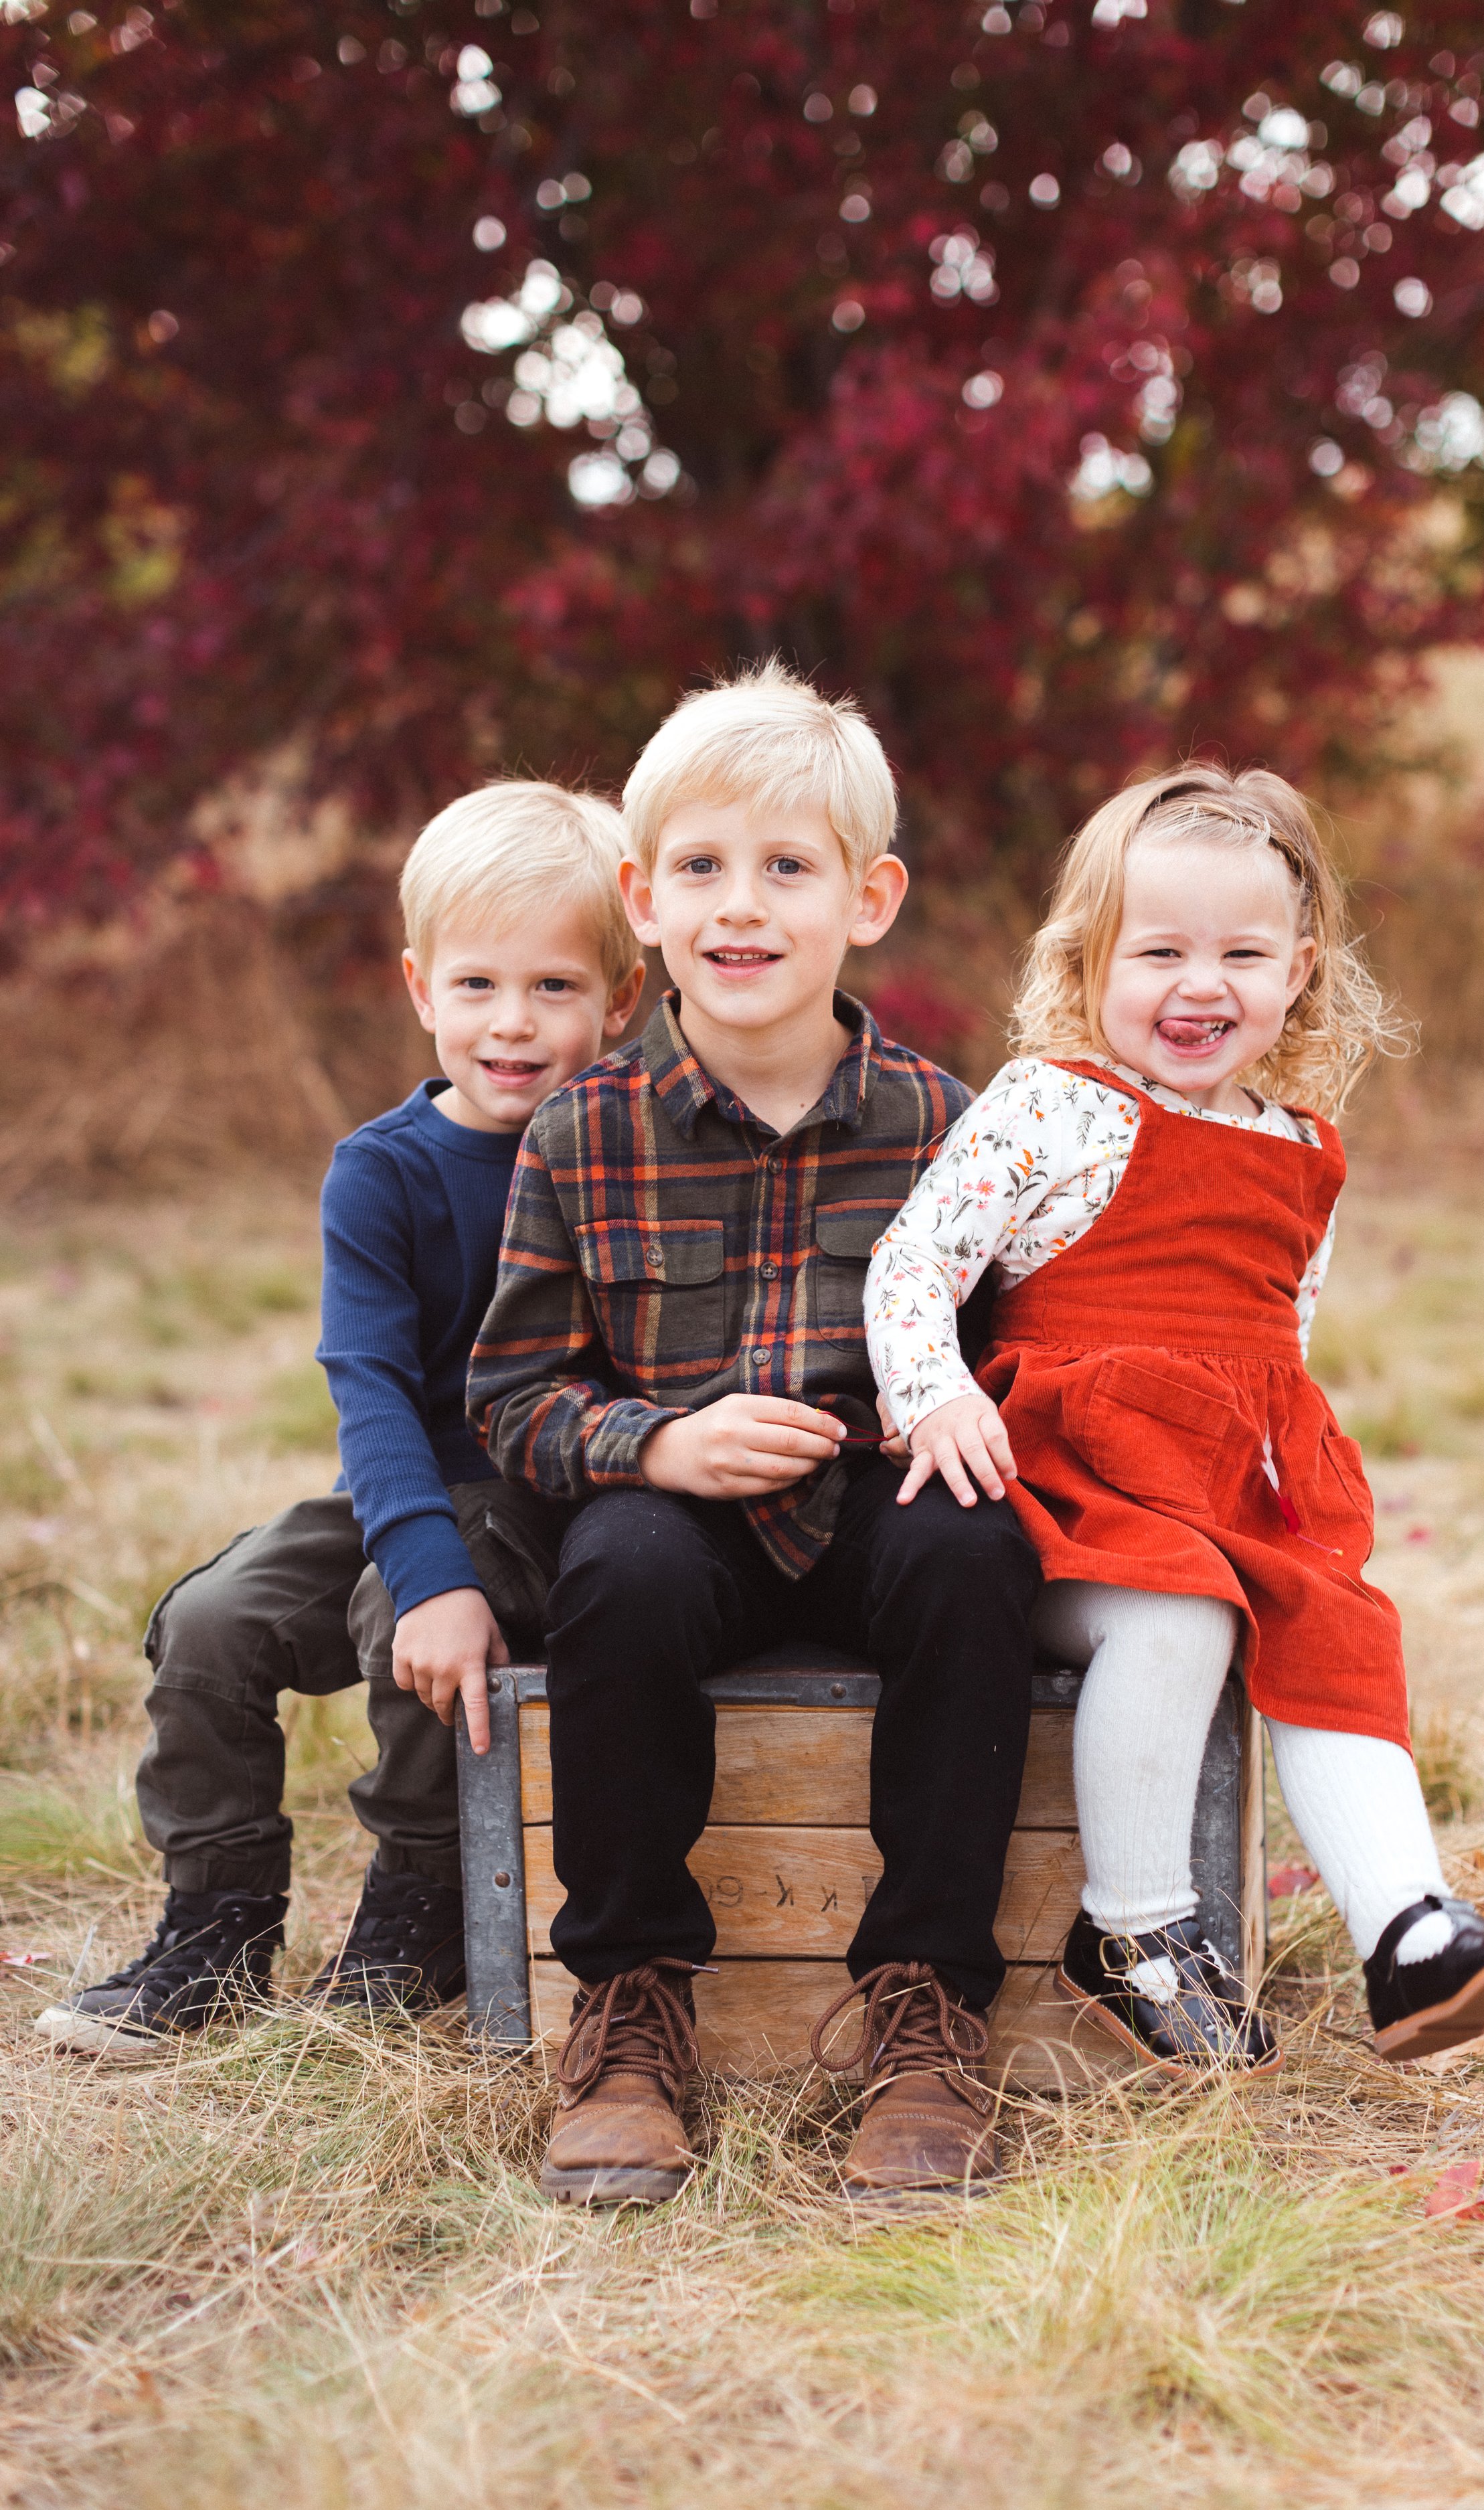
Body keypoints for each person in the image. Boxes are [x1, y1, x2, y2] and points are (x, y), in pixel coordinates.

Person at [865, 763, 1484, 2076]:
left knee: (1334, 1628)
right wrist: (932, 1393)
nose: (1201, 984)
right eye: (1159, 951)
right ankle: (1133, 1933)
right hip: (1078, 1492)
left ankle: (1407, 1935)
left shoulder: (1304, 1143)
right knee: (1179, 1606)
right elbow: (915, 1265)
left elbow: (1279, 1332)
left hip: (1233, 1478)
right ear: (1089, 959)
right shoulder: (1053, 1106)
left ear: (1300, 968)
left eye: (1241, 952)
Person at [467, 662, 1040, 2208]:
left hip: (877, 1502)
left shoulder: (945, 1124)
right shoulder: (584, 1129)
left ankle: (923, 2012)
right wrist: (654, 1446)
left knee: (973, 1552)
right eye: (704, 870)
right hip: (686, 1505)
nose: (742, 907)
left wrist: (960, 1413)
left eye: (786, 869)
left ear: (867, 898)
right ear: (644, 898)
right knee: (622, 1571)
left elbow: (1003, 1358)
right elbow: (515, 1392)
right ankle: (633, 2004)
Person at [36, 785, 643, 2060]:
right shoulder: (384, 1169)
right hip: (407, 1480)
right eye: (478, 985)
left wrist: (429, 1582)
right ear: (422, 988)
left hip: (549, 1497)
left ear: (620, 1003)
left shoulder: (622, 1154)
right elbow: (365, 1385)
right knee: (213, 1618)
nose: (513, 1023)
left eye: (554, 987)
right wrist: (417, 1558)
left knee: (405, 1616)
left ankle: (422, 1905)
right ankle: (218, 1920)